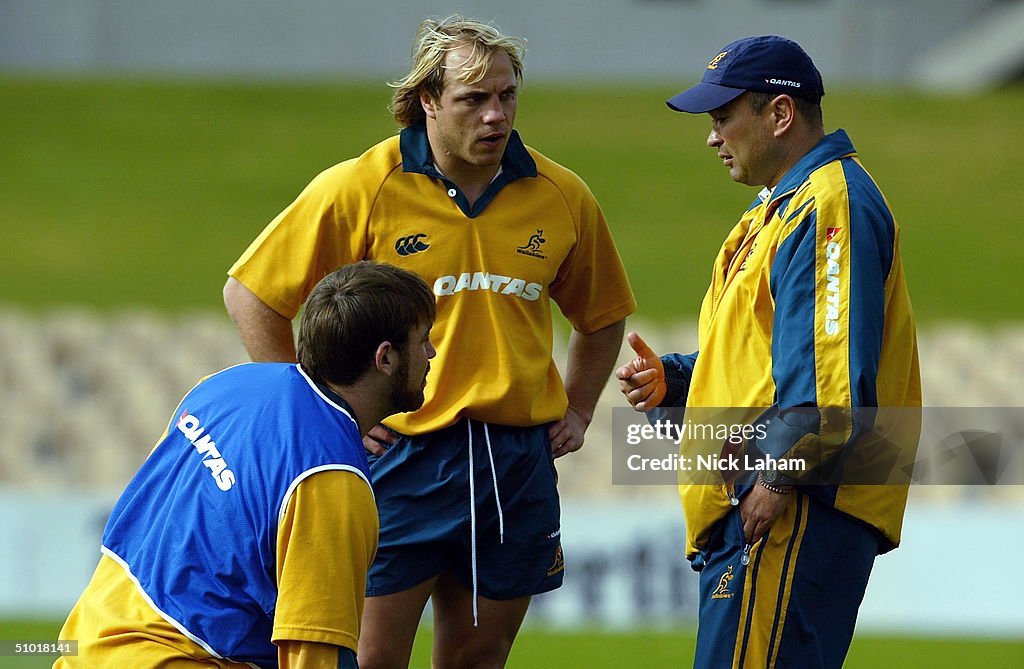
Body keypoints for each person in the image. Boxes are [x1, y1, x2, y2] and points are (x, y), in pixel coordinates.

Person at [222, 14, 636, 669]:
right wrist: (321, 416)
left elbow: (603, 313)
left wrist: (580, 406)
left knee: (478, 657)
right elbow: (251, 296)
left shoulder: (562, 195)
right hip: (399, 454)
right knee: (367, 657)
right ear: (429, 101)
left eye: (506, 96)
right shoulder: (362, 185)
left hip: (514, 462)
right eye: (474, 99)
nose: (496, 115)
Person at [616, 36, 920, 669]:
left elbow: (831, 382)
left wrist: (779, 475)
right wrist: (676, 383)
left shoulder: (825, 205)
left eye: (723, 117)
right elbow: (776, 358)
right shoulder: (782, 210)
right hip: (770, 498)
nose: (712, 136)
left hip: (793, 501)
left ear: (779, 115)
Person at [56, 261, 437, 668]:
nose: (431, 352)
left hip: (86, 642)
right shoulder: (331, 481)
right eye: (422, 340)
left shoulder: (226, 386)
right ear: (385, 358)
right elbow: (315, 655)